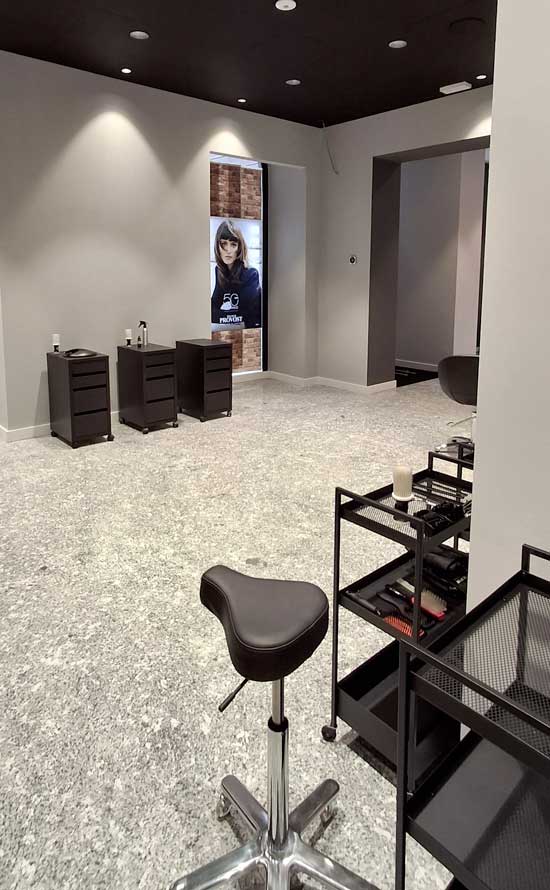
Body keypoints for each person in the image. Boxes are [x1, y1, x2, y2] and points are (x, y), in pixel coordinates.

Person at [211, 220, 261, 330]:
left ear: (239, 248)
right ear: (217, 246)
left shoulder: (251, 274)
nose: (228, 250)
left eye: (233, 244)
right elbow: (212, 309)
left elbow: (247, 316)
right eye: (224, 243)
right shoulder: (219, 271)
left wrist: (221, 316)